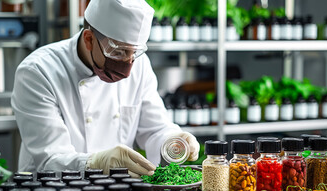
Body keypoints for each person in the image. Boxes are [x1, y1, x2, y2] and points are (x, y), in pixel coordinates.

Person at [11, 0, 200, 177]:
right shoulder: (38, 72)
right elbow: (50, 159)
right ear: (88, 39)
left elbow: (154, 129)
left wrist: (172, 139)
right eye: (118, 51)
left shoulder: (140, 66)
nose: (128, 65)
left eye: (134, 52)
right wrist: (96, 163)